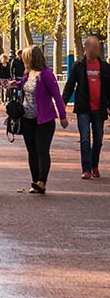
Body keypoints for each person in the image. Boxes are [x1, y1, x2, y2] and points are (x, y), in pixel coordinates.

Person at [17, 45, 68, 194]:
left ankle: (42, 181)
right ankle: (35, 182)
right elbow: (24, 86)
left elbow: (56, 95)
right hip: (27, 118)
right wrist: (15, 84)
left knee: (42, 151)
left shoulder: (46, 74)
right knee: (31, 151)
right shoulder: (27, 73)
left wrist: (63, 116)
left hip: (44, 120)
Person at [63, 35, 110, 179]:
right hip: (83, 108)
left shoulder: (105, 67)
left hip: (99, 109)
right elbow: (70, 85)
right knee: (85, 139)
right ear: (86, 48)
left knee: (98, 140)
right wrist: (63, 103)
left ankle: (94, 165)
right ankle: (86, 169)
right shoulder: (78, 66)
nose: (95, 50)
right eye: (93, 47)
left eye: (97, 48)